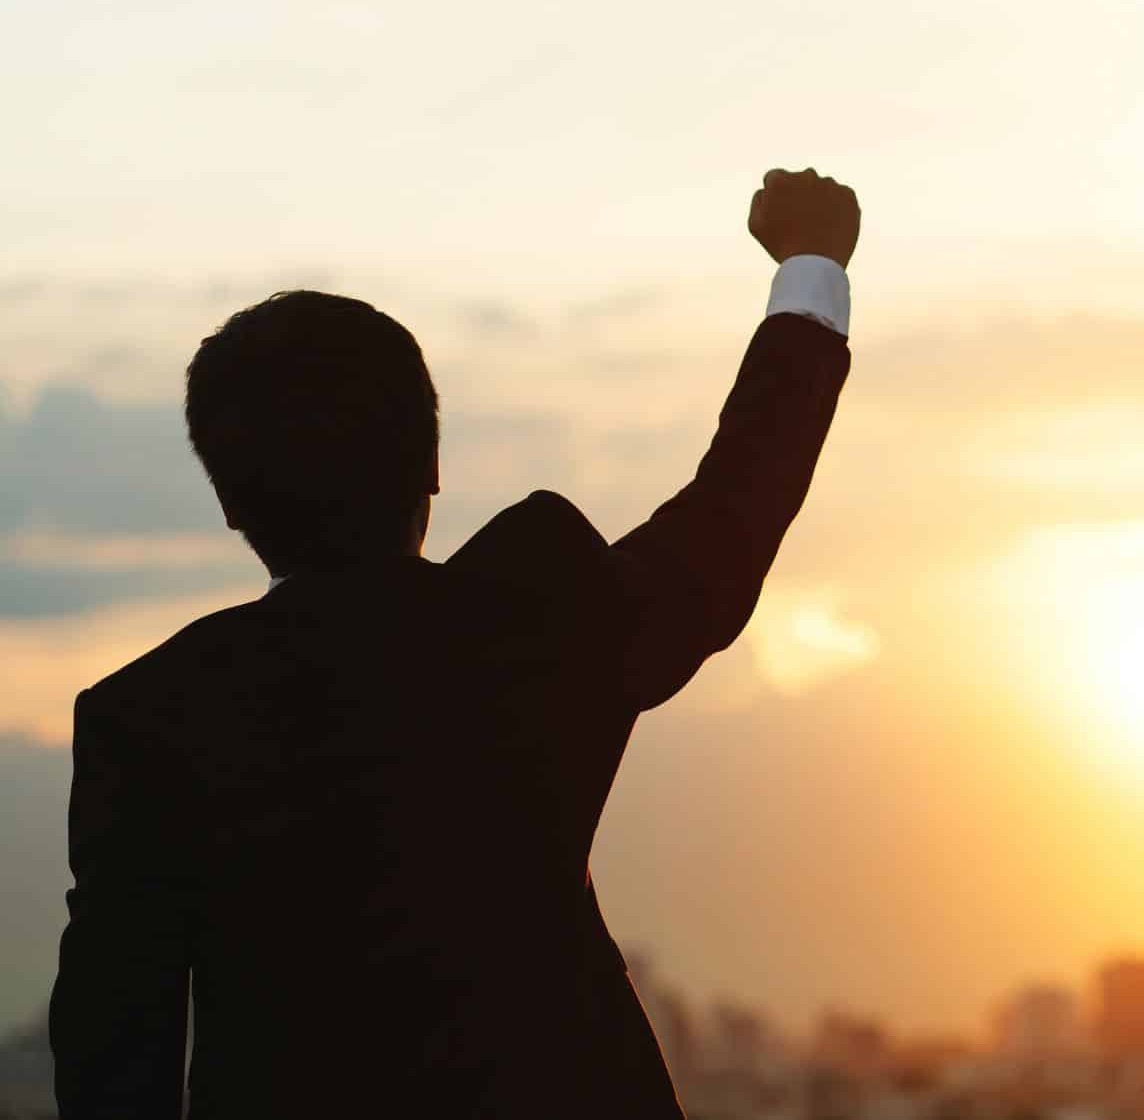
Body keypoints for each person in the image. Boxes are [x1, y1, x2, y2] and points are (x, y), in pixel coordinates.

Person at [48, 168, 860, 1118]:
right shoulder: (535, 623)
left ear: (230, 503)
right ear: (431, 463)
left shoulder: (145, 720)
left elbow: (113, 1050)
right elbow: (732, 510)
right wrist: (813, 265)